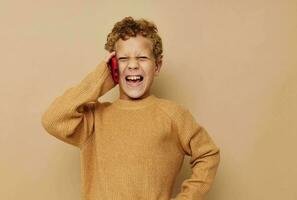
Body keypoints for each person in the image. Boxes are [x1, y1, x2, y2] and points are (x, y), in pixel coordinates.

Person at [41, 16, 220, 200]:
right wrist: (101, 78)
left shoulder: (173, 115)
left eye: (142, 58)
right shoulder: (94, 120)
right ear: (112, 66)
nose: (133, 65)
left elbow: (208, 153)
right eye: (123, 59)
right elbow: (53, 119)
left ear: (157, 66)